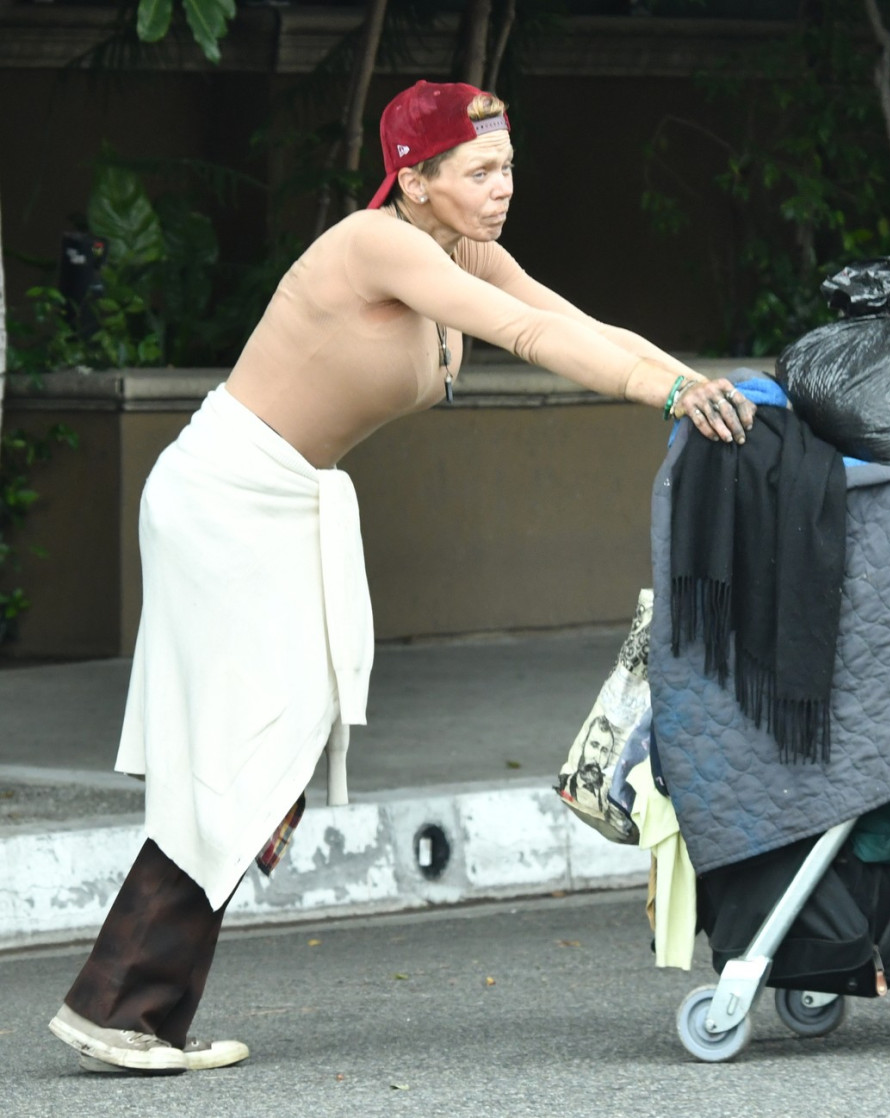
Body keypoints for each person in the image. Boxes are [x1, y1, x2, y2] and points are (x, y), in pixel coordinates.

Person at [47, 79, 757, 1075]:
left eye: (507, 166)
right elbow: (528, 339)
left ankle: (127, 1002)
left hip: (285, 500)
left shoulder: (461, 248)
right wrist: (669, 391)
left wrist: (694, 383)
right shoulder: (373, 242)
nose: (502, 187)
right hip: (224, 497)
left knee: (269, 754)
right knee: (250, 747)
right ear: (413, 180)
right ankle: (122, 1004)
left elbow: (578, 323)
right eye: (478, 170)